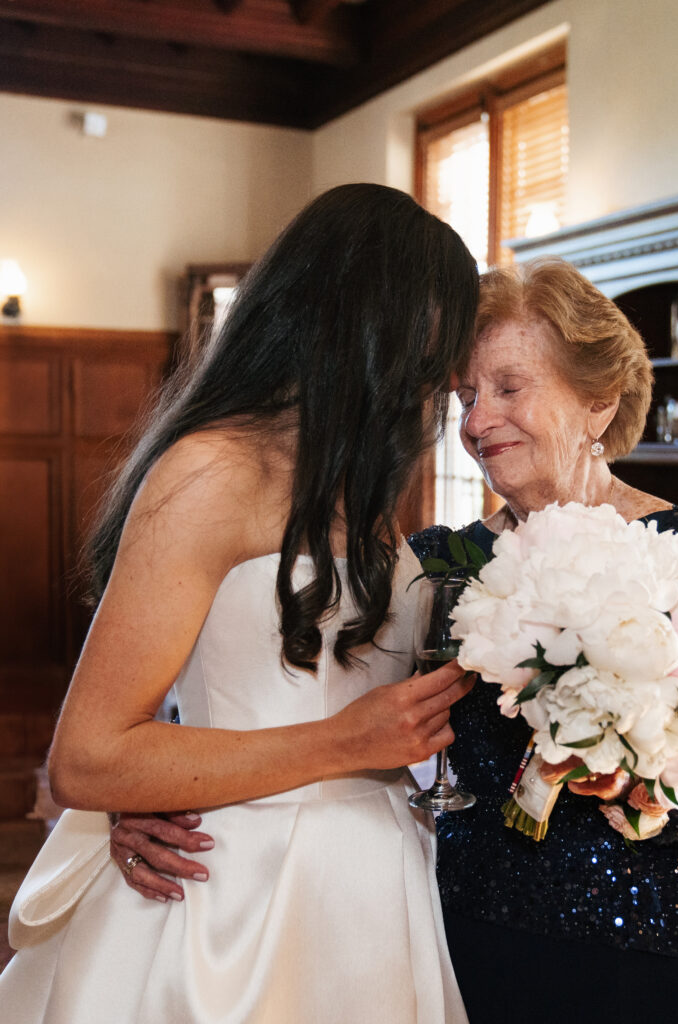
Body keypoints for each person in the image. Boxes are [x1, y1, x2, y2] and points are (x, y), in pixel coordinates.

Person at [105, 258, 678, 1024]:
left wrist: (653, 791)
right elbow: (302, 687)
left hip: (677, 947)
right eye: (466, 397)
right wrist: (153, 791)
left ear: (599, 403)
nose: (476, 423)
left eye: (509, 389)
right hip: (483, 946)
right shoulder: (439, 560)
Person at [0, 183, 479, 1024]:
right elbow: (87, 757)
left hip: (374, 889)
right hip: (237, 892)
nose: (441, 377)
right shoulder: (210, 471)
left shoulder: (364, 487)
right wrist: (341, 742)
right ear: (359, 322)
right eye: (431, 337)